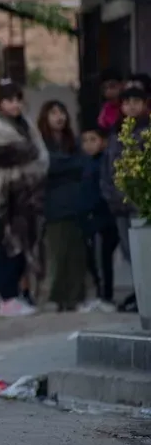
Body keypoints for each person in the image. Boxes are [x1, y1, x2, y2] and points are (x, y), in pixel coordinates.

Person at [0, 83, 48, 317]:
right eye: (9, 100)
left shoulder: (26, 124)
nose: (15, 104)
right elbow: (17, 153)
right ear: (0, 103)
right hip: (5, 195)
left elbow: (41, 155)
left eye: (18, 100)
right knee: (9, 244)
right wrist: (30, 154)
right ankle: (7, 297)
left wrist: (32, 156)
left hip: (28, 194)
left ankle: (19, 293)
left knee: (26, 243)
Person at [36, 100, 88, 311]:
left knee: (76, 255)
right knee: (57, 254)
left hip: (75, 205)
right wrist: (66, 165)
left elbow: (81, 164)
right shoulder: (41, 142)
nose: (59, 117)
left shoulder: (72, 142)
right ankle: (54, 298)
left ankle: (75, 298)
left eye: (62, 112)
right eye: (54, 113)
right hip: (53, 207)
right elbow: (48, 165)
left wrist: (63, 165)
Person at [100, 84, 149, 312]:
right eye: (127, 102)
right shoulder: (115, 132)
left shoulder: (147, 130)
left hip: (142, 203)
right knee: (130, 253)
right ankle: (141, 296)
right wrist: (110, 195)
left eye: (136, 102)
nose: (131, 106)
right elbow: (107, 168)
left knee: (145, 251)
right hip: (118, 204)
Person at [80, 127, 120, 311]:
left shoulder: (105, 161)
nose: (88, 145)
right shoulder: (86, 163)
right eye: (85, 141)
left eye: (93, 139)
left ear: (103, 141)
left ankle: (105, 296)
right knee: (94, 259)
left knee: (102, 258)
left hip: (105, 216)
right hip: (91, 216)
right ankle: (100, 294)